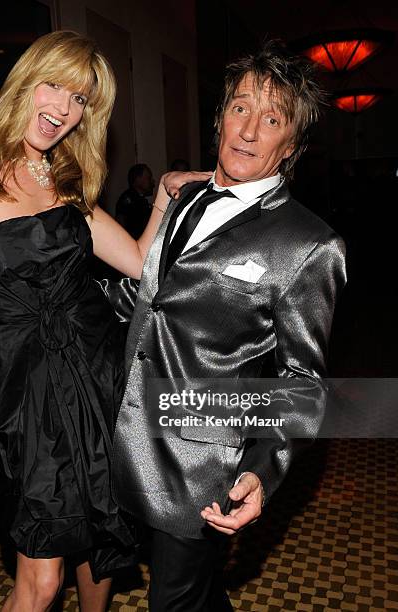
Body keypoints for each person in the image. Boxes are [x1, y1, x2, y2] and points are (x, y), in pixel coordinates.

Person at [0, 31, 210, 612]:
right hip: (24, 390)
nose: (64, 110)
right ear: (25, 79)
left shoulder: (66, 184)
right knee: (42, 578)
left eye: (81, 101)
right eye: (56, 86)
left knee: (101, 541)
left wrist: (165, 200)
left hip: (100, 374)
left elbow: (143, 264)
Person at [102, 41, 347, 611]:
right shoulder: (185, 197)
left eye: (272, 118)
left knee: (174, 601)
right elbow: (151, 298)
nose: (249, 130)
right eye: (241, 108)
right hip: (124, 432)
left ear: (292, 146)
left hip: (203, 464)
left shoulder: (310, 244)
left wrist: (264, 468)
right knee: (202, 592)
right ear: (220, 116)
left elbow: (303, 380)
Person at [115, 163, 155, 238]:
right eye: (148, 178)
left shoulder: (141, 200)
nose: (152, 182)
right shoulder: (127, 200)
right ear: (138, 179)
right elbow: (120, 227)